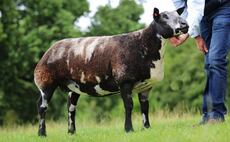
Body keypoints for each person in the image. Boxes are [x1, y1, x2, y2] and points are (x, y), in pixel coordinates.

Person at [169, 0, 230, 124]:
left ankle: (217, 114)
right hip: (204, 16)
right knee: (209, 64)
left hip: (223, 8)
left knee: (216, 61)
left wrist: (191, 35)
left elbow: (196, 8)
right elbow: (183, 10)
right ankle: (208, 115)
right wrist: (195, 35)